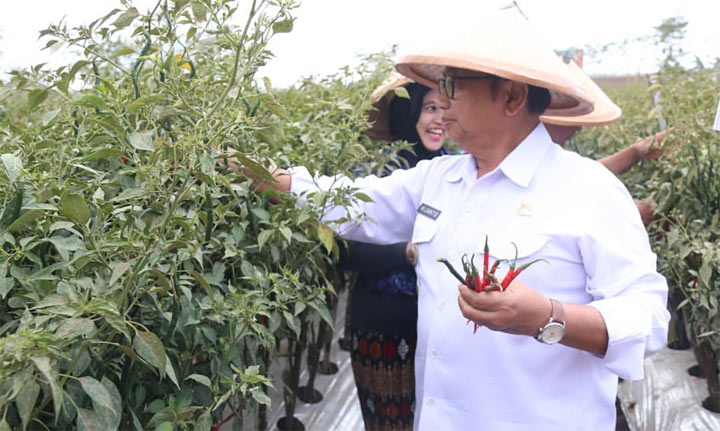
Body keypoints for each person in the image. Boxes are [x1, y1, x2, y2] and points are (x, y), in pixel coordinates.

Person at [237, 11, 669, 430]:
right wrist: (266, 177)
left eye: (452, 85)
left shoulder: (587, 188)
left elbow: (647, 320)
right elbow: (359, 203)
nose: (440, 99)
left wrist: (547, 317)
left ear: (513, 96)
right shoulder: (440, 178)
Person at [340, 74, 446, 431]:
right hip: (384, 327)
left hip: (442, 329)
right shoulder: (379, 174)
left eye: (445, 107)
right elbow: (344, 253)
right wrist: (409, 253)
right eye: (430, 107)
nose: (440, 118)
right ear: (408, 113)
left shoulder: (457, 170)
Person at [540, 56, 672, 226]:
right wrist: (626, 218)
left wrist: (636, 151)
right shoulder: (511, 162)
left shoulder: (541, 158)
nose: (578, 128)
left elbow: (575, 174)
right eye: (571, 117)